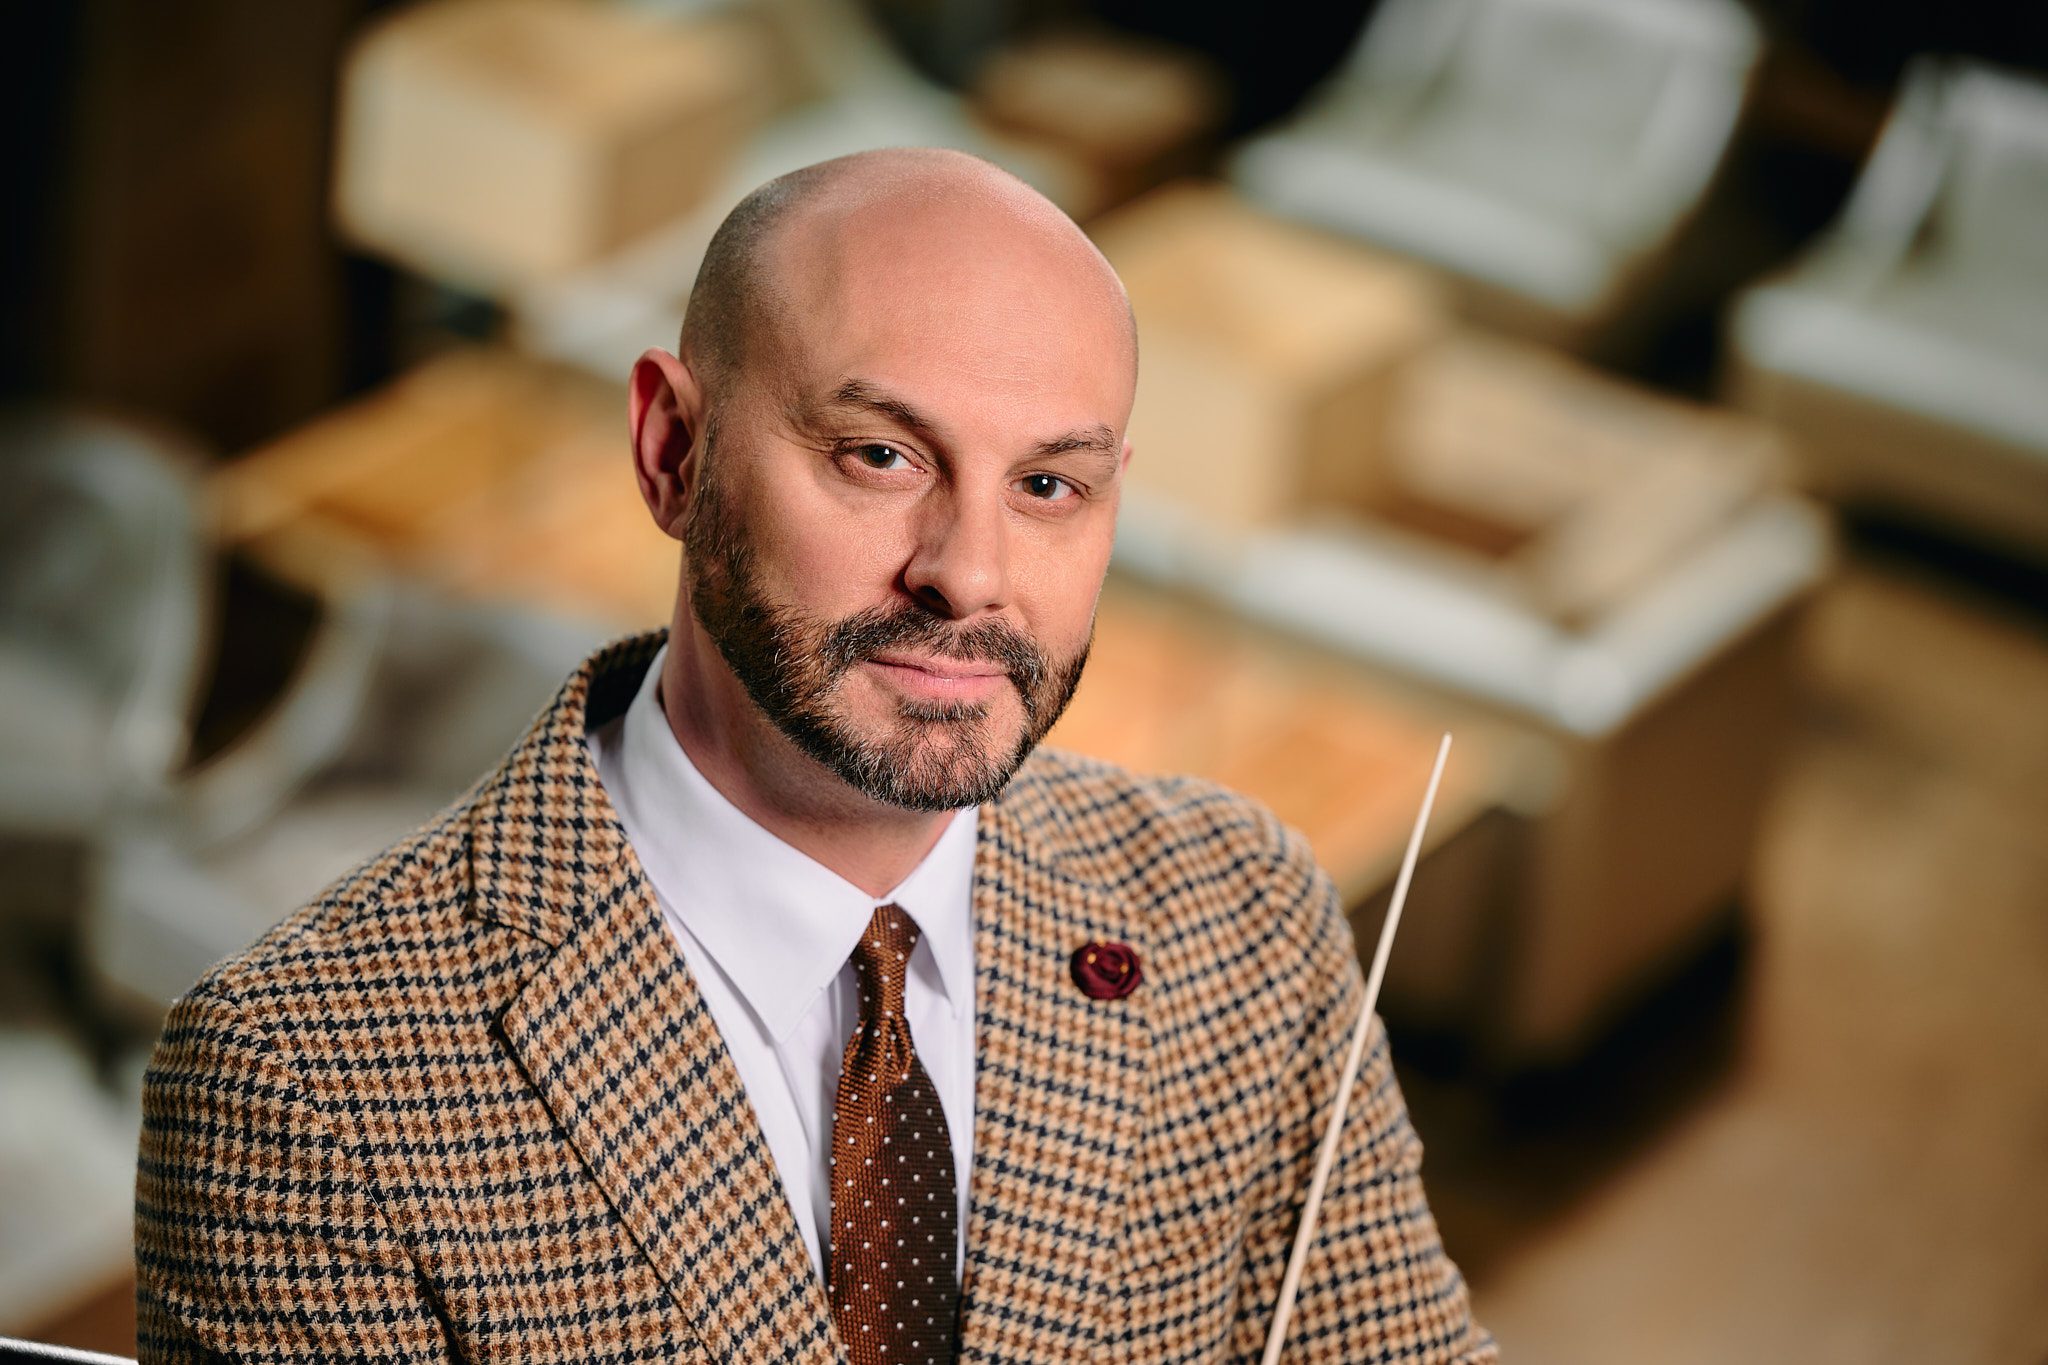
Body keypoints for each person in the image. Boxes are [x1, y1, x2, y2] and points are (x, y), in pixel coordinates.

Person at [135, 148, 1494, 1363]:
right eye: (882, 454)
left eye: (1048, 486)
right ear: (674, 450)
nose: (970, 574)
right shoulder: (306, 1082)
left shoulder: (1239, 912)